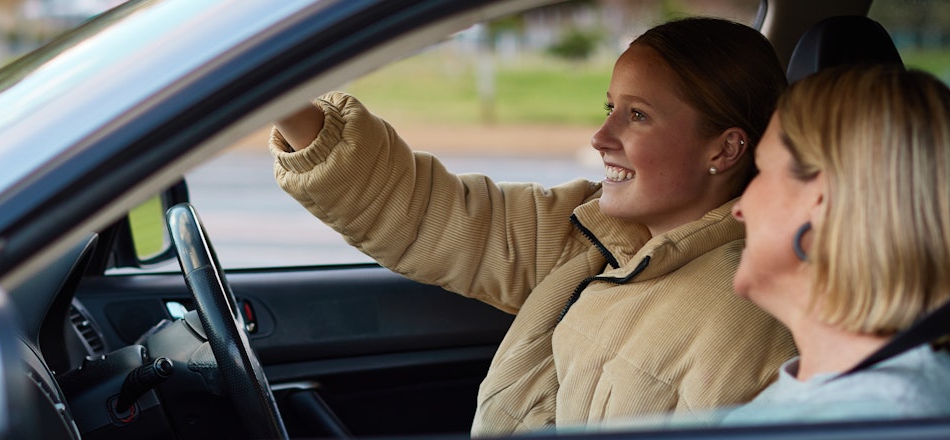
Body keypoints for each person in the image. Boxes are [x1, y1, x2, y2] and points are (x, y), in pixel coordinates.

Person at [270, 17, 795, 436]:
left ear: (724, 148)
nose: (600, 136)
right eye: (610, 107)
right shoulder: (591, 235)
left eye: (637, 116)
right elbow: (425, 211)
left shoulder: (751, 316)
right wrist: (279, 94)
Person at [724, 64, 950, 423]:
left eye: (761, 170)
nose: (738, 209)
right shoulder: (848, 396)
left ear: (821, 200)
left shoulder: (884, 417)